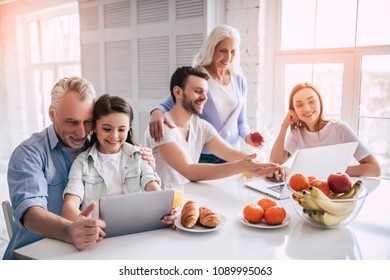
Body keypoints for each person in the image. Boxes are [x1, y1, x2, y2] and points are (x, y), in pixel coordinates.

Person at [3, 77, 155, 260]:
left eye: (88, 122)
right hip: (34, 255)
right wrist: (69, 231)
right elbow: (31, 213)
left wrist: (146, 166)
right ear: (52, 114)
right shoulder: (28, 154)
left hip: (89, 251)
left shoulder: (100, 146)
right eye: (72, 122)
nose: (82, 133)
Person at [144, 66, 282, 186]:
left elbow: (231, 153)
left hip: (188, 198)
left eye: (205, 92)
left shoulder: (202, 126)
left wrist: (265, 167)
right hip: (162, 205)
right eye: (198, 91)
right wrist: (241, 167)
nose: (204, 97)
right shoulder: (161, 128)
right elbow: (189, 170)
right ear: (178, 92)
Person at [149, 24, 263, 164]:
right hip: (204, 154)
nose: (228, 57)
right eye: (223, 51)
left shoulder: (239, 80)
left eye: (233, 51)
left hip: (231, 153)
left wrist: (248, 137)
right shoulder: (198, 76)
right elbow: (168, 103)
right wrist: (156, 113)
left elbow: (241, 121)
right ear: (212, 49)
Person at [62, 94, 176, 227]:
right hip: (98, 234)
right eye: (106, 129)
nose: (114, 136)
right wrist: (83, 225)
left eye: (121, 129)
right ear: (94, 127)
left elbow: (153, 187)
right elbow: (70, 205)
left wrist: (167, 210)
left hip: (136, 228)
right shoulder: (82, 163)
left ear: (129, 128)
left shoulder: (139, 155)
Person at [270, 82, 381, 177]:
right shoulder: (297, 134)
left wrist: (333, 171)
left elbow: (374, 169)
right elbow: (275, 162)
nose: (307, 108)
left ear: (320, 103)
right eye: (299, 105)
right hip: (310, 190)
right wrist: (284, 126)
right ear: (293, 110)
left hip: (337, 191)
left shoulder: (339, 128)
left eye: (311, 101)